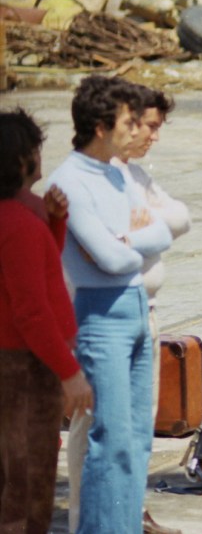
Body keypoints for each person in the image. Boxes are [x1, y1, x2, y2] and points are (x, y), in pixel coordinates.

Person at [48, 75, 173, 534]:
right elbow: (110, 258)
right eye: (128, 121)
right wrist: (133, 239)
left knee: (138, 441)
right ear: (100, 127)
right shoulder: (69, 180)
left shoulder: (118, 174)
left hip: (136, 307)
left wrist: (127, 239)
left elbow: (161, 231)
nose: (136, 129)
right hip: (101, 317)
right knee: (112, 438)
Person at [0, 109, 93, 534]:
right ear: (21, 160)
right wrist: (69, 372)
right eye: (35, 150)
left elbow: (40, 268)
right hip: (22, 365)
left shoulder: (26, 214)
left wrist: (54, 223)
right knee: (26, 481)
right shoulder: (19, 222)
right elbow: (32, 311)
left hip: (19, 359)